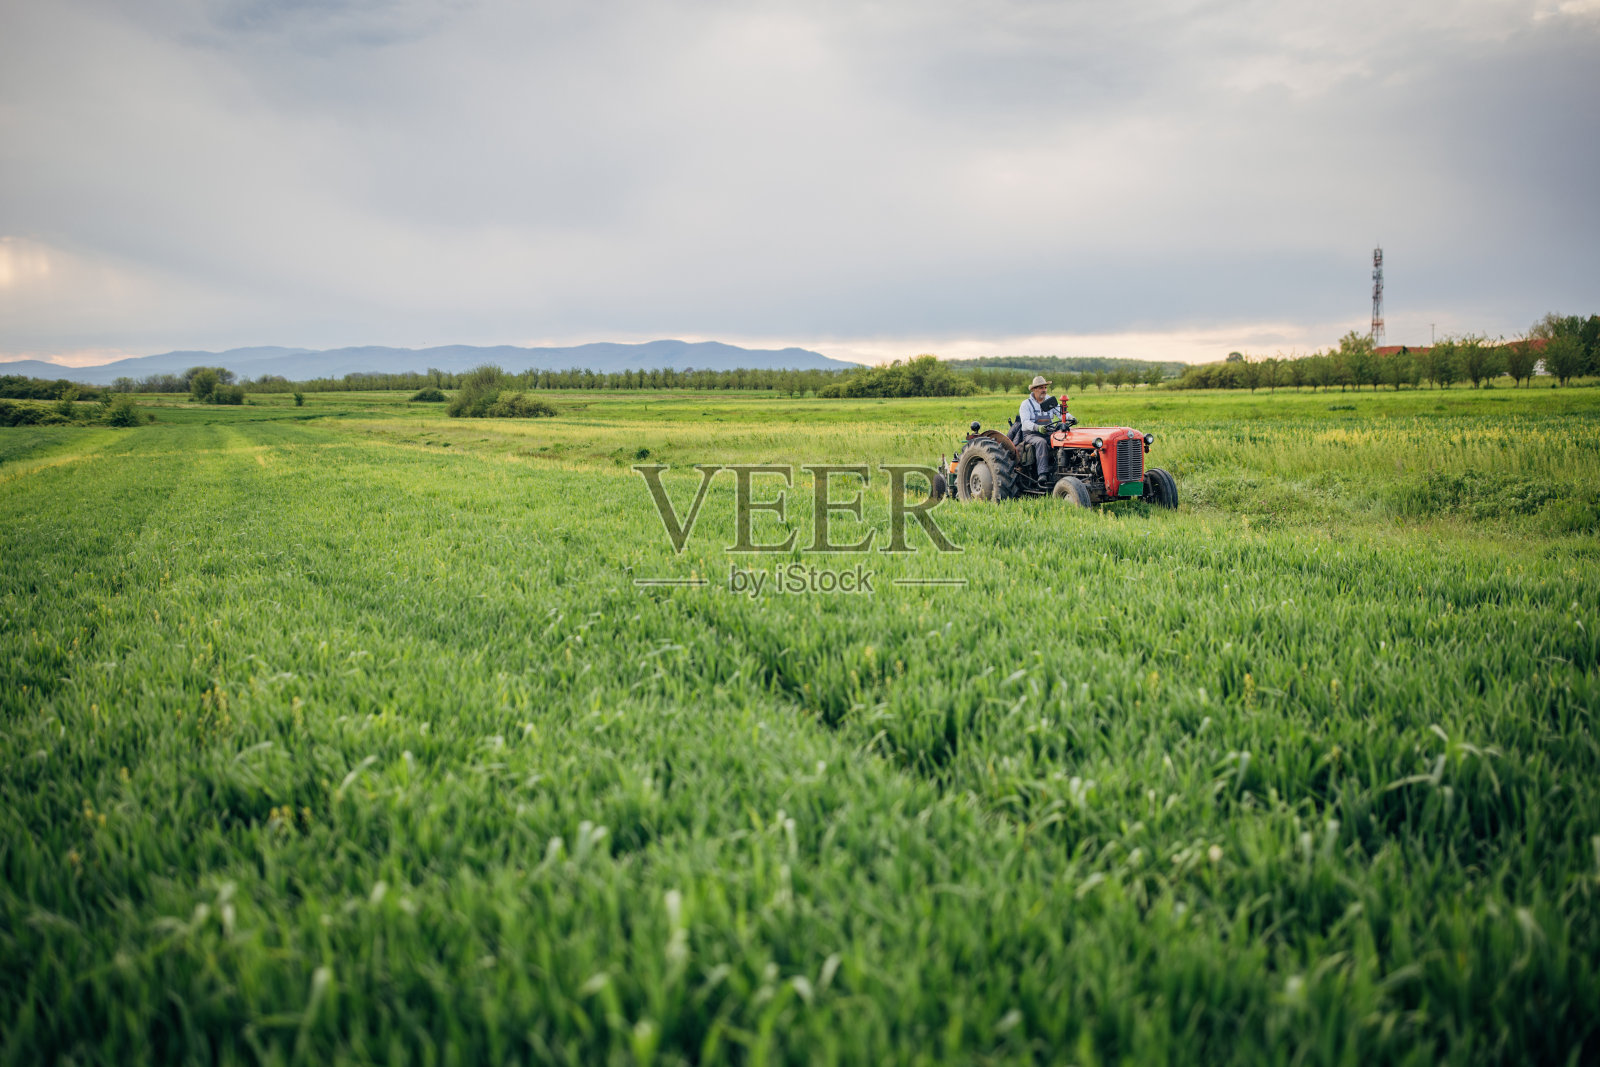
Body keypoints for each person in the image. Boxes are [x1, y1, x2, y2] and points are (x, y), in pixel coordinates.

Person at [1017, 375, 1058, 482]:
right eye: (1041, 388)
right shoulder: (1026, 404)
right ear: (1034, 389)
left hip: (1049, 432)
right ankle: (1042, 474)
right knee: (1041, 442)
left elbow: (1061, 412)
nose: (1044, 390)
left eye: (1045, 387)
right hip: (1031, 434)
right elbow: (1025, 423)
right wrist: (1037, 427)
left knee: (1061, 439)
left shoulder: (1050, 400)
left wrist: (1070, 417)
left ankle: (1059, 469)